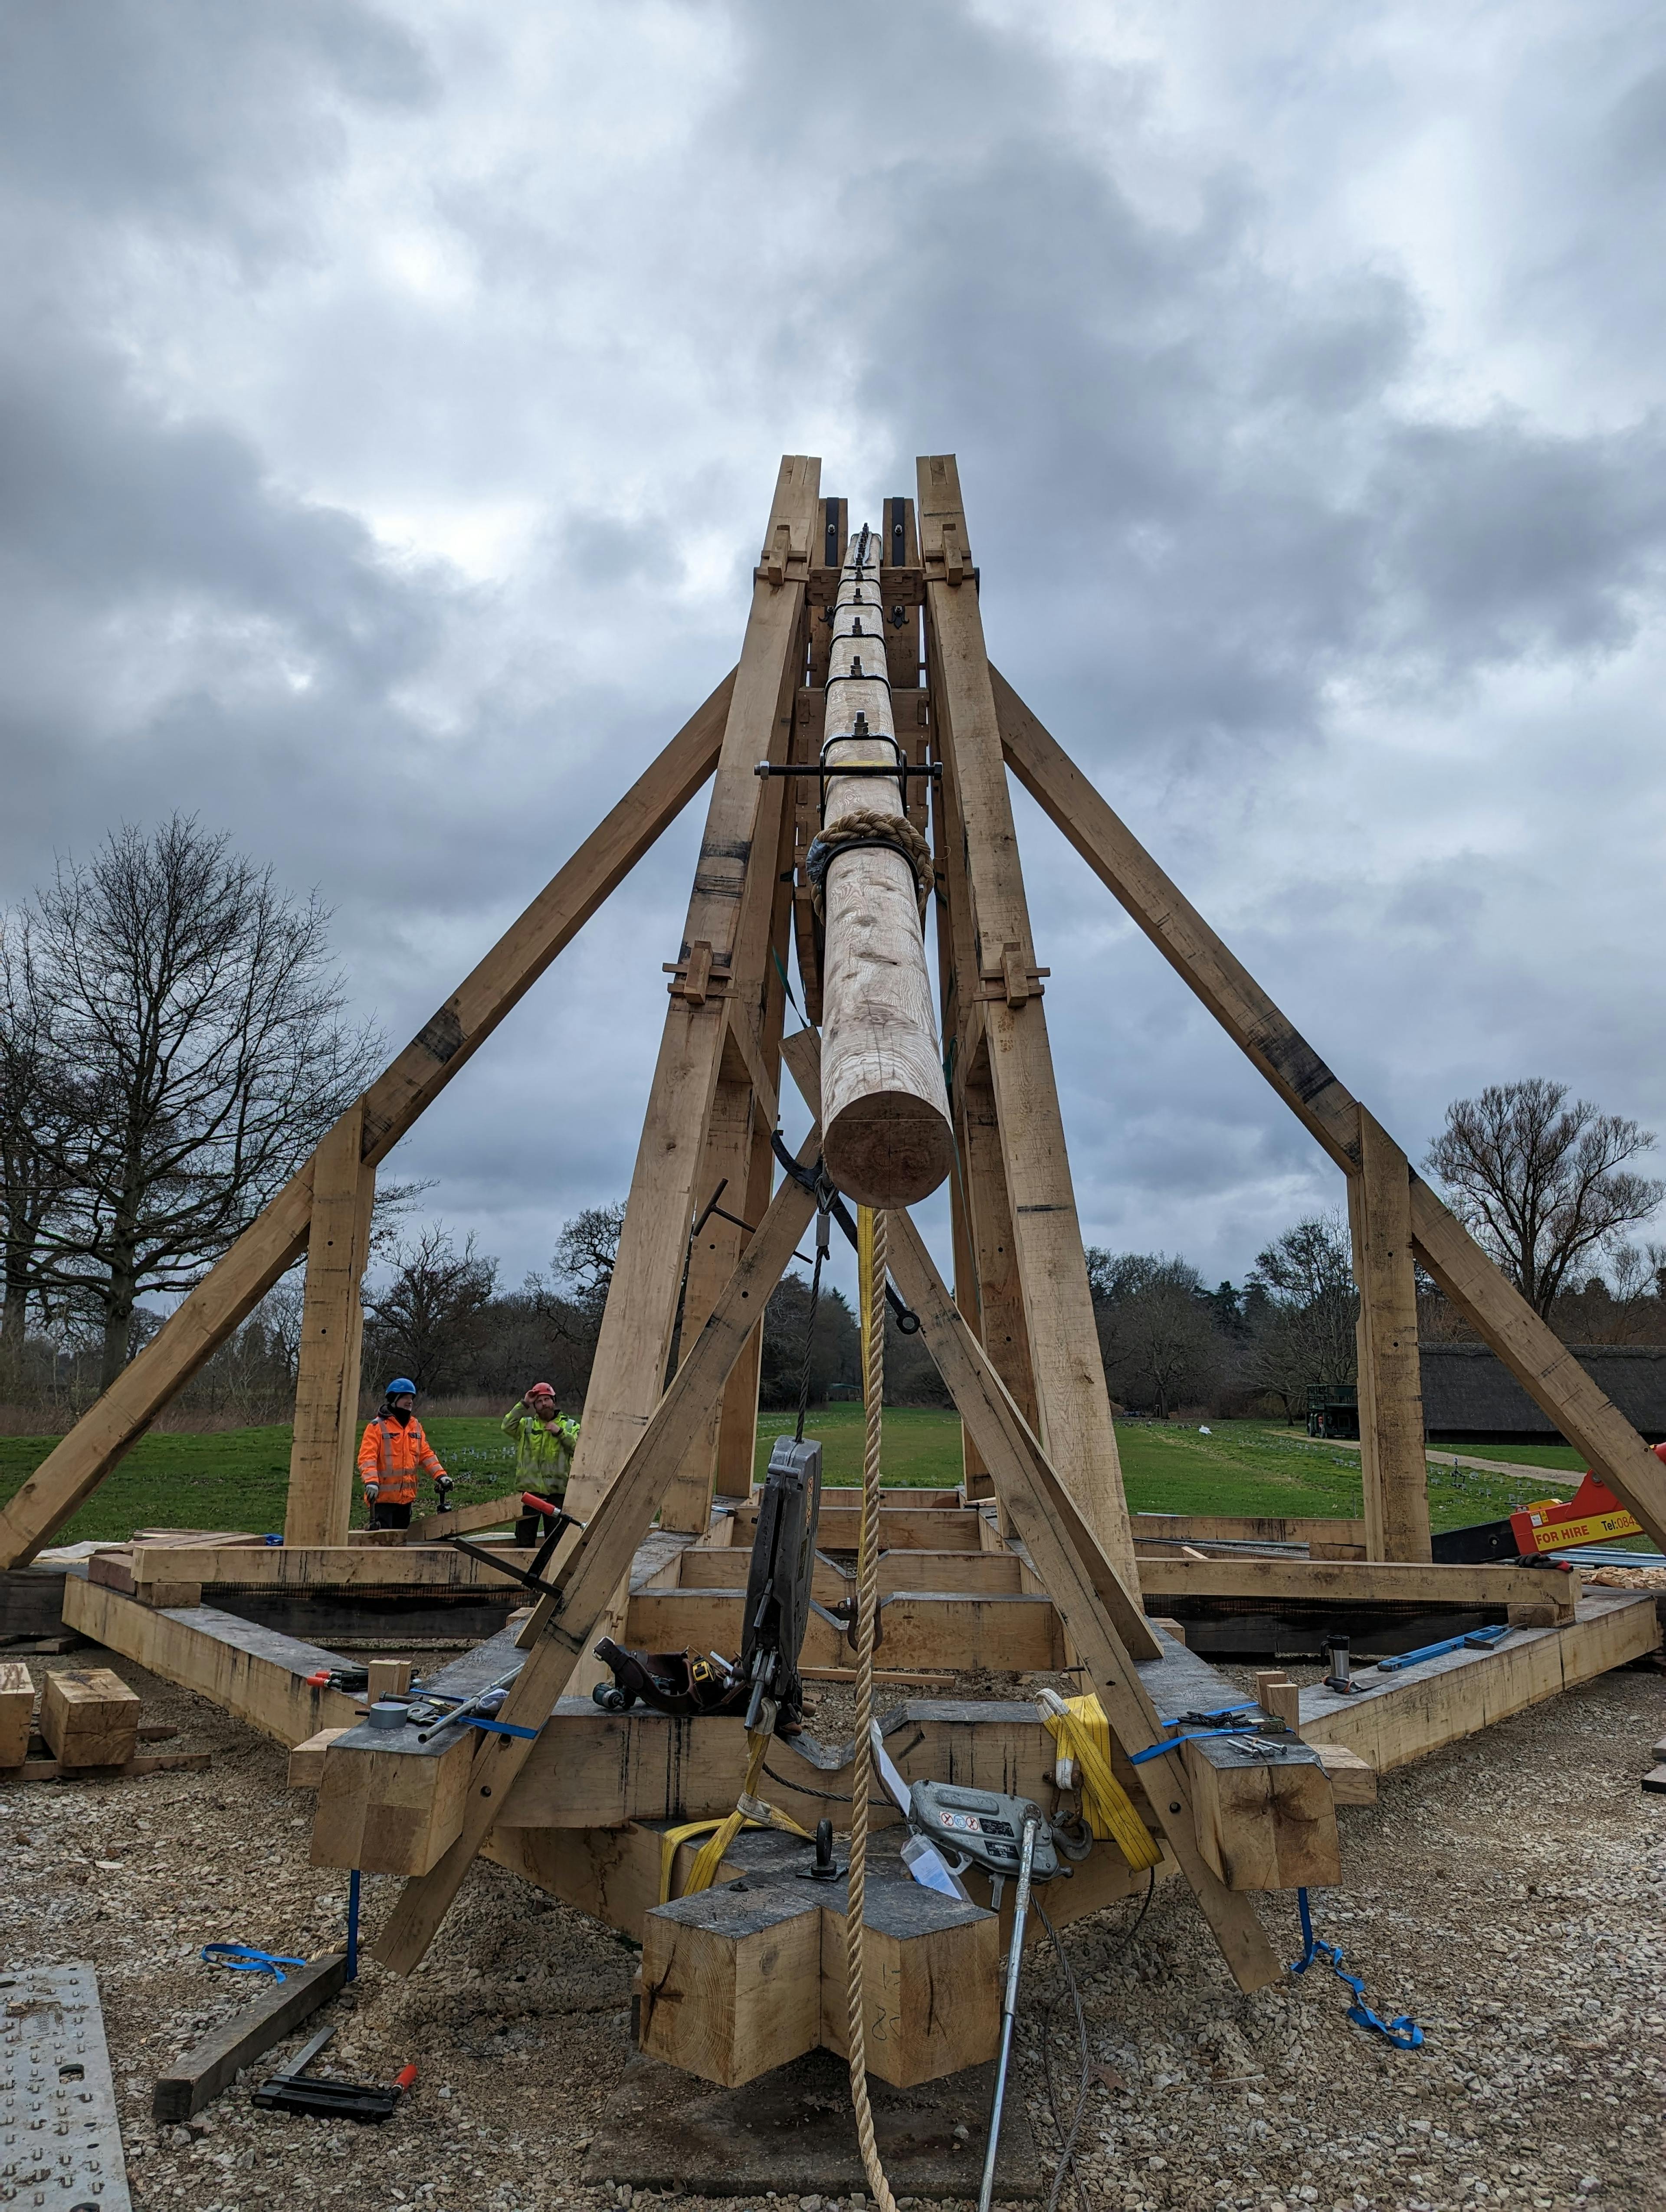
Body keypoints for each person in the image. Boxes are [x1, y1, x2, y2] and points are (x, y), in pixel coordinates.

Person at [357, 1378, 447, 1530]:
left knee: (402, 1543)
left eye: (411, 1398)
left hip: (406, 1500)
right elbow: (367, 1458)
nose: (409, 1401)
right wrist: (371, 1482)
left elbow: (426, 1455)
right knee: (384, 1545)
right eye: (405, 1397)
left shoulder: (415, 1426)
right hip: (383, 1502)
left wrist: (440, 1475)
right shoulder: (376, 1427)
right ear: (394, 1400)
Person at [502, 1383, 580, 1543]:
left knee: (555, 1543)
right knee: (524, 1541)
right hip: (530, 1494)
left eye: (547, 1400)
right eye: (539, 1401)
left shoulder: (570, 1426)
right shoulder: (526, 1425)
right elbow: (507, 1426)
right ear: (535, 1406)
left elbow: (579, 1450)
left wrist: (560, 1433)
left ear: (554, 1402)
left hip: (557, 1494)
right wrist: (524, 1403)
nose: (544, 1404)